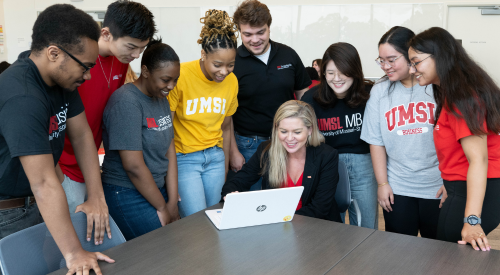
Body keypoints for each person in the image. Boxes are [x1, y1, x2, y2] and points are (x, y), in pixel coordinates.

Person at [0, 4, 114, 274]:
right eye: (85, 67)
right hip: (9, 212)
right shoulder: (23, 97)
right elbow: (43, 184)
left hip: (35, 203)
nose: (87, 76)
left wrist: (96, 195)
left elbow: (82, 134)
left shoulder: (60, 80)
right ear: (54, 53)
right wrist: (75, 253)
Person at [58, 0, 156, 214]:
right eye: (131, 47)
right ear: (106, 33)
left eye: (142, 48)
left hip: (91, 162)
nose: (136, 55)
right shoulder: (78, 62)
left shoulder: (121, 59)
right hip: (65, 165)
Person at [408, 27, 500, 251]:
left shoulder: (464, 97)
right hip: (461, 187)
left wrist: (472, 221)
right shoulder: (452, 93)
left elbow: (479, 160)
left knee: (450, 257)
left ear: (439, 56)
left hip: (480, 189)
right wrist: (450, 181)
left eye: (416, 62)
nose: (412, 70)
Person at [360, 26, 445, 239]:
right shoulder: (380, 91)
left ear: (410, 55)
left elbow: (455, 140)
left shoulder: (436, 86)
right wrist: (382, 184)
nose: (385, 66)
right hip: (398, 187)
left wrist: (451, 183)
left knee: (437, 253)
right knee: (398, 252)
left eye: (391, 59)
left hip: (437, 186)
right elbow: (376, 141)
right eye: (381, 60)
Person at [101, 40, 180, 240]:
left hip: (156, 188)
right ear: (145, 71)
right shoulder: (126, 102)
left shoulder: (161, 98)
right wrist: (162, 207)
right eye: (165, 79)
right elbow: (133, 166)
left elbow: (169, 150)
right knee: (161, 245)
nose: (170, 86)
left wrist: (172, 201)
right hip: (126, 192)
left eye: (175, 80)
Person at [230, 0, 311, 191]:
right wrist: (233, 151)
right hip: (248, 144)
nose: (255, 40)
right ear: (239, 31)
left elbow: (304, 98)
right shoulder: (232, 62)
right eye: (247, 34)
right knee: (254, 203)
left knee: (285, 200)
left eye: (261, 32)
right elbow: (227, 115)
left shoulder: (288, 55)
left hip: (287, 141)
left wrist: (306, 134)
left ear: (269, 28)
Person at [168, 9, 238, 217]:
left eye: (231, 65)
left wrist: (224, 169)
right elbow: (166, 130)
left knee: (217, 215)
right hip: (185, 158)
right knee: (196, 221)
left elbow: (226, 127)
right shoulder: (181, 75)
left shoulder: (231, 82)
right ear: (203, 54)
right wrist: (169, 176)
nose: (224, 72)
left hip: (215, 157)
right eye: (217, 65)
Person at [222, 100, 340, 221]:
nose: (289, 138)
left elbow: (319, 209)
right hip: (278, 226)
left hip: (316, 226)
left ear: (310, 130)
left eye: (297, 132)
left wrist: (279, 218)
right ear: (276, 129)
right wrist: (230, 195)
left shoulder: (327, 155)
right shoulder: (266, 150)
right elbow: (239, 180)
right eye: (283, 131)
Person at [301, 42, 377, 229]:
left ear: (355, 70)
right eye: (330, 73)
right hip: (327, 166)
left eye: (342, 72)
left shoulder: (371, 94)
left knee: (366, 227)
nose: (336, 79)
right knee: (332, 229)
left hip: (365, 165)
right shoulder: (311, 98)